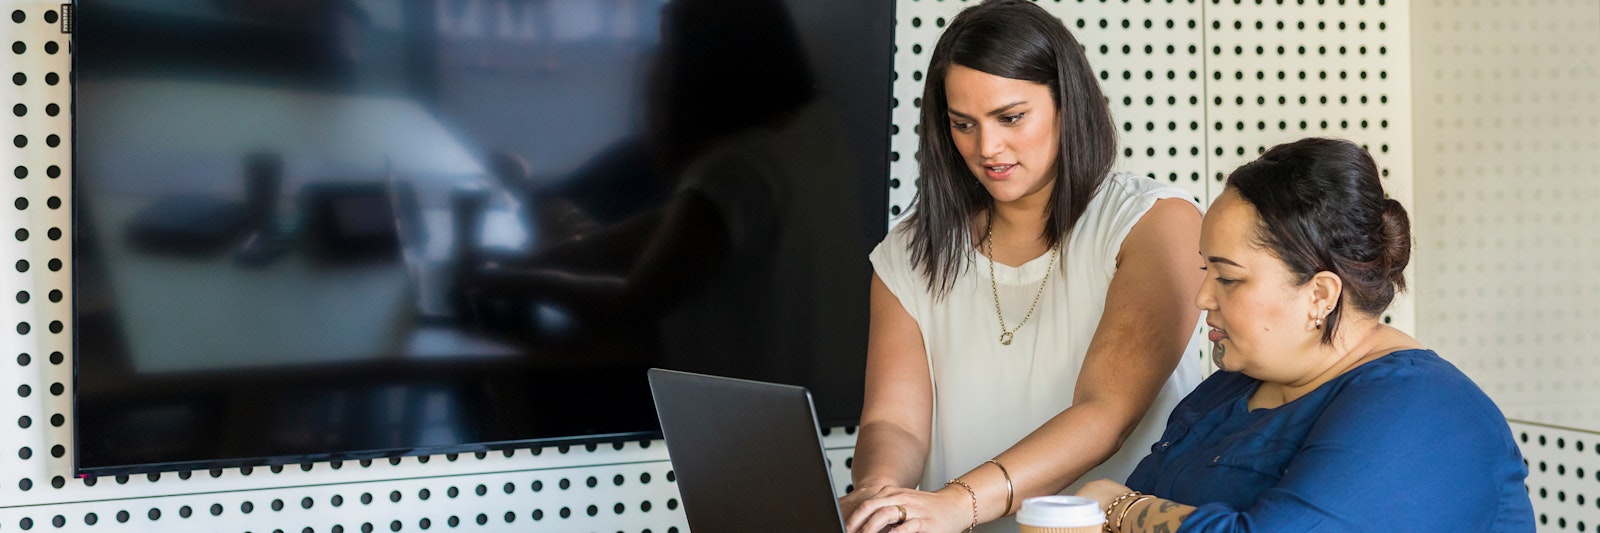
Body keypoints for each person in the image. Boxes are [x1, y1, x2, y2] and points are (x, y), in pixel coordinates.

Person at [842, 1, 1205, 532]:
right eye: (963, 124)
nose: (987, 147)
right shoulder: (909, 252)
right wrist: (879, 495)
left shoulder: (1155, 222)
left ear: (1068, 105)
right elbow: (893, 422)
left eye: (1011, 117)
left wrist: (955, 503)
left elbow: (1105, 414)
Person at [1076, 138, 1535, 532]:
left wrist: (1121, 506)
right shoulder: (1232, 386)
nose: (1202, 298)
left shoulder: (1425, 408)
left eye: (1228, 278)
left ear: (1320, 294)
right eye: (1205, 270)